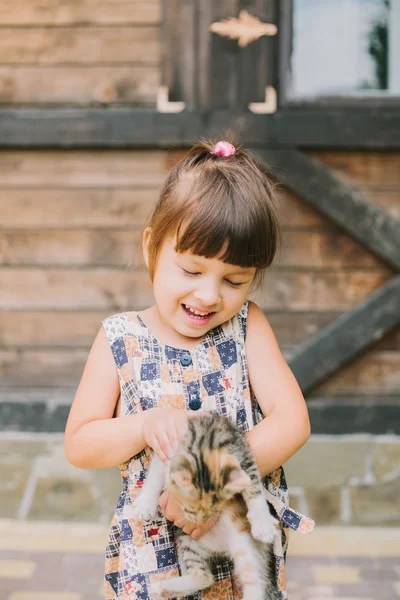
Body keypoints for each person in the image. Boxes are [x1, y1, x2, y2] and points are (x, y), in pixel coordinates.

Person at [64, 139, 313, 600]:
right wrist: (144, 423)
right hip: (152, 559)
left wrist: (208, 483)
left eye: (234, 280)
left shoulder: (247, 326)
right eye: (191, 271)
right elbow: (80, 442)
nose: (208, 296)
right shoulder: (120, 339)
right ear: (151, 248)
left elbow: (292, 421)